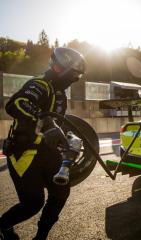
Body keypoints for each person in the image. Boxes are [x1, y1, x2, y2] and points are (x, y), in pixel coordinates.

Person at [0, 47, 85, 240]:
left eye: (77, 77)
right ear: (60, 68)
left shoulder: (61, 94)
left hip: (47, 152)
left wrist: (70, 141)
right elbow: (16, 103)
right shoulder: (40, 84)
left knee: (61, 192)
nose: (74, 80)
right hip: (24, 153)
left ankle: (41, 237)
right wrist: (45, 120)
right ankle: (3, 225)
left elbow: (59, 127)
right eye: (73, 75)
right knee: (33, 203)